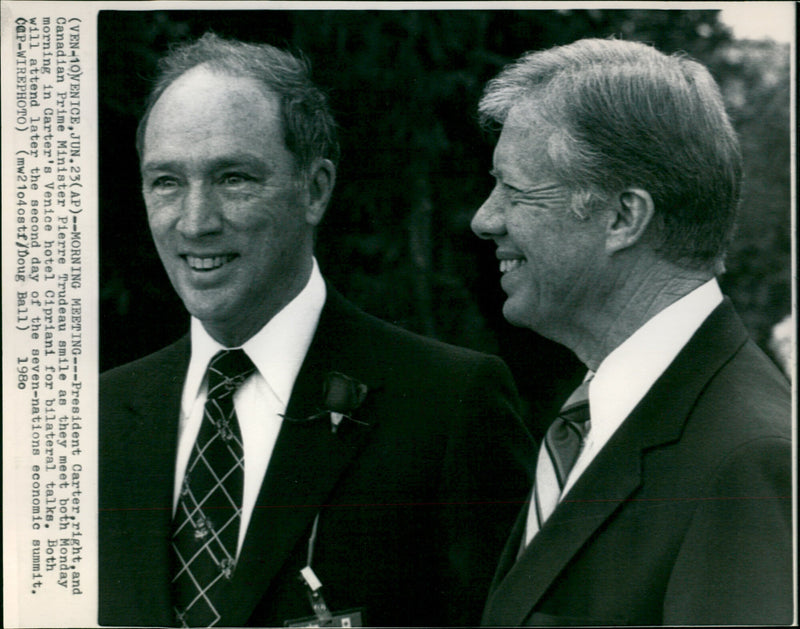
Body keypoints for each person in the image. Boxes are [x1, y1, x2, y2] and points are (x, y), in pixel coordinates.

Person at [99, 32, 534, 628]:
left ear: (316, 188)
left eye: (233, 178)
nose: (195, 222)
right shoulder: (95, 417)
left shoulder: (449, 405)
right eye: (166, 182)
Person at [471, 38, 792, 626]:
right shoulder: (600, 420)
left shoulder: (748, 462)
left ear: (623, 217)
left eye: (514, 191)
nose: (484, 219)